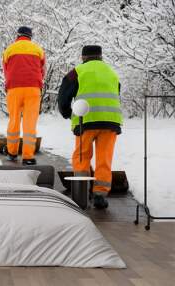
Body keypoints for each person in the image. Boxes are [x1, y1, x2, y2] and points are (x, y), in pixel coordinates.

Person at [58, 45, 122, 209]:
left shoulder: (78, 71)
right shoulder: (111, 72)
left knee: (82, 156)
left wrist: (65, 112)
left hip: (85, 121)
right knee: (104, 158)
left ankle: (82, 191)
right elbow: (117, 93)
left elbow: (64, 94)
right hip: (110, 121)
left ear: (83, 57)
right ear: (100, 57)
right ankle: (100, 194)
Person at [2, 26, 46, 165]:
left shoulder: (9, 49)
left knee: (14, 120)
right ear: (30, 36)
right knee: (30, 123)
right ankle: (28, 156)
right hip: (33, 89)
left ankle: (12, 153)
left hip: (14, 89)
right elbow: (42, 70)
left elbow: (6, 70)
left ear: (18, 35)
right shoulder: (38, 49)